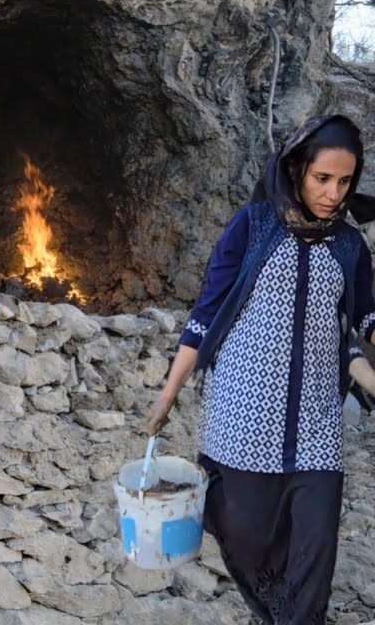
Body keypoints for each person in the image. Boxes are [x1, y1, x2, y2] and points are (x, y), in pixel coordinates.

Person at [147, 114, 375, 625]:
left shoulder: (349, 246)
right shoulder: (252, 227)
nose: (334, 194)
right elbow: (205, 316)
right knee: (245, 540)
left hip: (317, 425)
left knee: (314, 551)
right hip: (243, 420)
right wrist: (169, 393)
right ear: (295, 170)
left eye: (345, 182)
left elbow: (366, 318)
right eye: (323, 179)